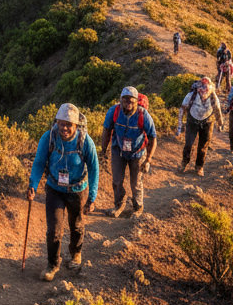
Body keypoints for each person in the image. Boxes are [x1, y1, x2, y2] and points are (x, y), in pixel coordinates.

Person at [27, 103, 99, 281]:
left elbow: (93, 168)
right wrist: (32, 185)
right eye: (61, 124)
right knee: (54, 230)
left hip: (77, 190)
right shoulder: (49, 138)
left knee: (76, 225)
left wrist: (92, 196)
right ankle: (52, 264)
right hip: (55, 189)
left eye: (68, 125)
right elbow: (39, 162)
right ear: (56, 122)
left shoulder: (85, 141)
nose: (64, 128)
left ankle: (75, 253)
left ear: (76, 125)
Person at [100, 86, 157, 217]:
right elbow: (107, 130)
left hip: (138, 153)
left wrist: (148, 160)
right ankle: (119, 205)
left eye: (131, 99)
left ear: (136, 100)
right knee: (117, 181)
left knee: (136, 182)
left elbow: (153, 137)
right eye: (125, 99)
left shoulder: (143, 115)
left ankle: (138, 208)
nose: (128, 102)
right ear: (121, 99)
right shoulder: (114, 111)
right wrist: (103, 150)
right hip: (118, 150)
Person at [178, 77, 224, 177]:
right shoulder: (191, 95)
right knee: (188, 143)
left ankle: (199, 167)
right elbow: (182, 109)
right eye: (201, 89)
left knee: (203, 146)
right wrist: (180, 125)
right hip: (192, 121)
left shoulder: (213, 97)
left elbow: (217, 110)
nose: (203, 92)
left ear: (210, 89)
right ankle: (184, 163)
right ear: (198, 89)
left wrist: (220, 124)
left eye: (206, 90)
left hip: (207, 122)